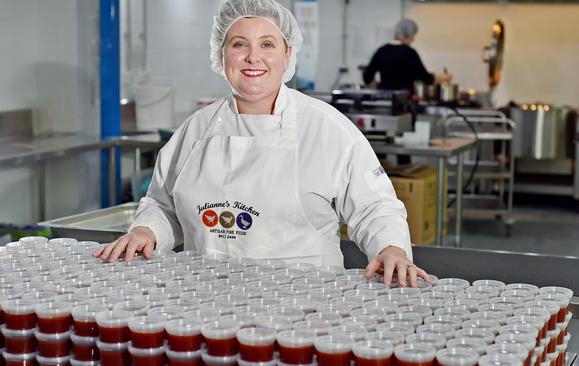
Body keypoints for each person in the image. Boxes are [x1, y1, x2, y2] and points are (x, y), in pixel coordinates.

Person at [94, 0, 429, 287]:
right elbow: (162, 205)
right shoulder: (195, 130)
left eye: (267, 44)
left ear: (287, 55)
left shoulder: (327, 128)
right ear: (220, 55)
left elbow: (375, 208)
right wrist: (146, 231)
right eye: (239, 44)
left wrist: (391, 248)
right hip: (204, 303)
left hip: (305, 309)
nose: (253, 57)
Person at [363, 18, 451, 93]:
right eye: (413, 36)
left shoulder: (381, 51)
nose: (413, 40)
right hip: (404, 102)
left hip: (385, 101)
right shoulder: (410, 53)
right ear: (406, 36)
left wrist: (378, 84)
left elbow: (367, 78)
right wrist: (442, 78)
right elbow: (426, 79)